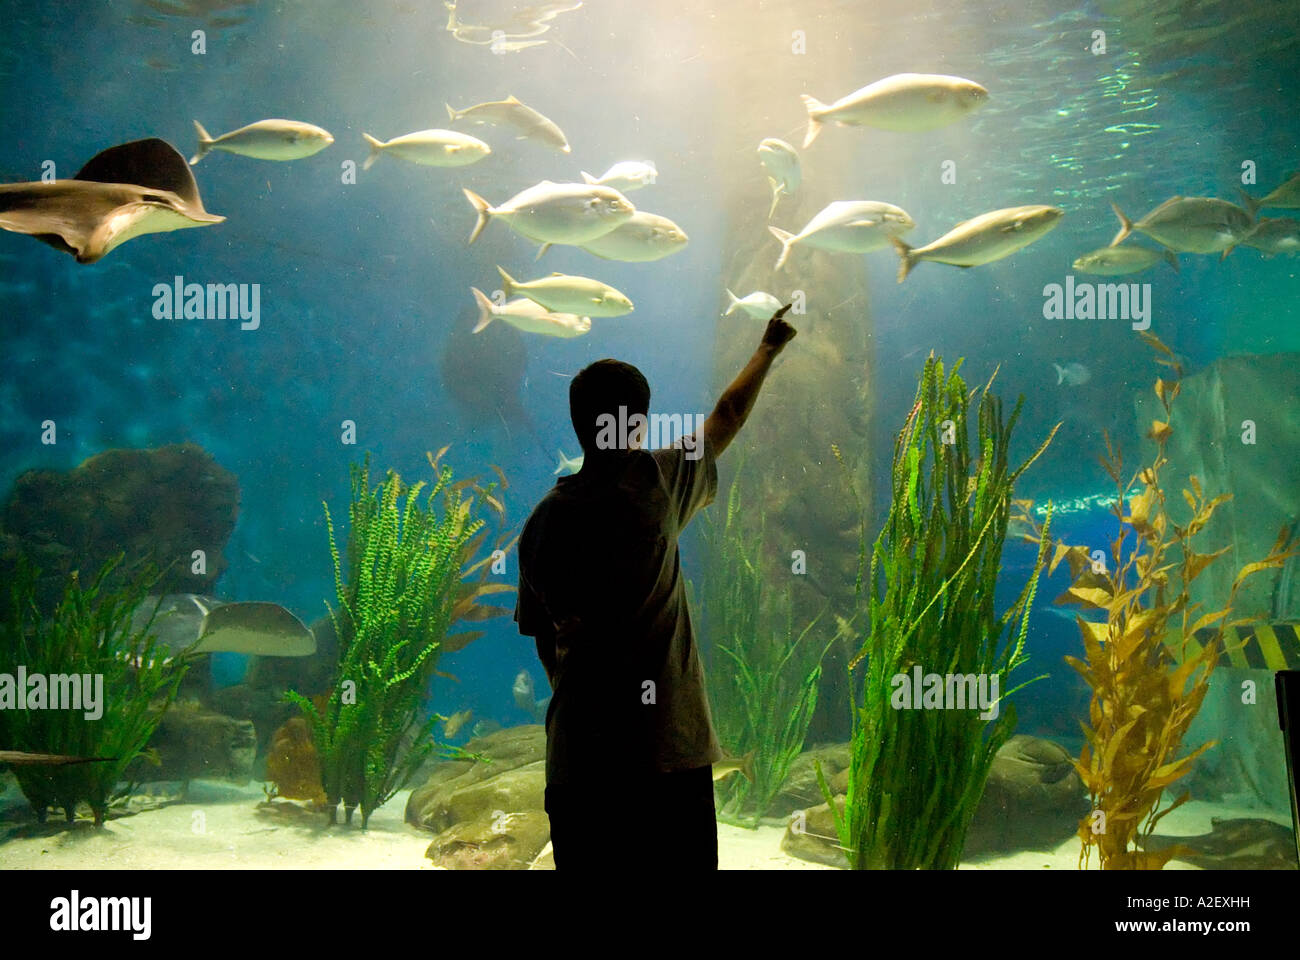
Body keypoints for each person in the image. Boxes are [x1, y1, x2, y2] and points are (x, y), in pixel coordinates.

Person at [514, 305, 796, 870]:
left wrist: (578, 684)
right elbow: (729, 415)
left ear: (577, 424)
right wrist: (768, 347)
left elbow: (540, 632)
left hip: (581, 759)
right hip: (668, 748)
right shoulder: (658, 484)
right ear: (638, 424)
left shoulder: (544, 521)